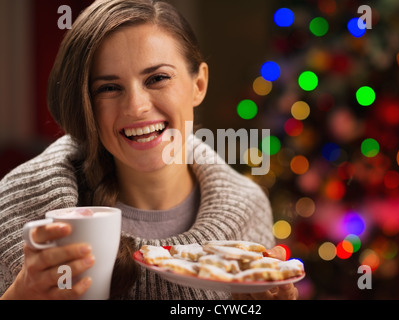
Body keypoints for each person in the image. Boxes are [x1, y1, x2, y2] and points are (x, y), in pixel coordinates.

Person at [0, 0, 298, 300]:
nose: (137, 107)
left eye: (157, 79)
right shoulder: (18, 209)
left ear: (199, 84)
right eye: (108, 88)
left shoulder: (247, 209)